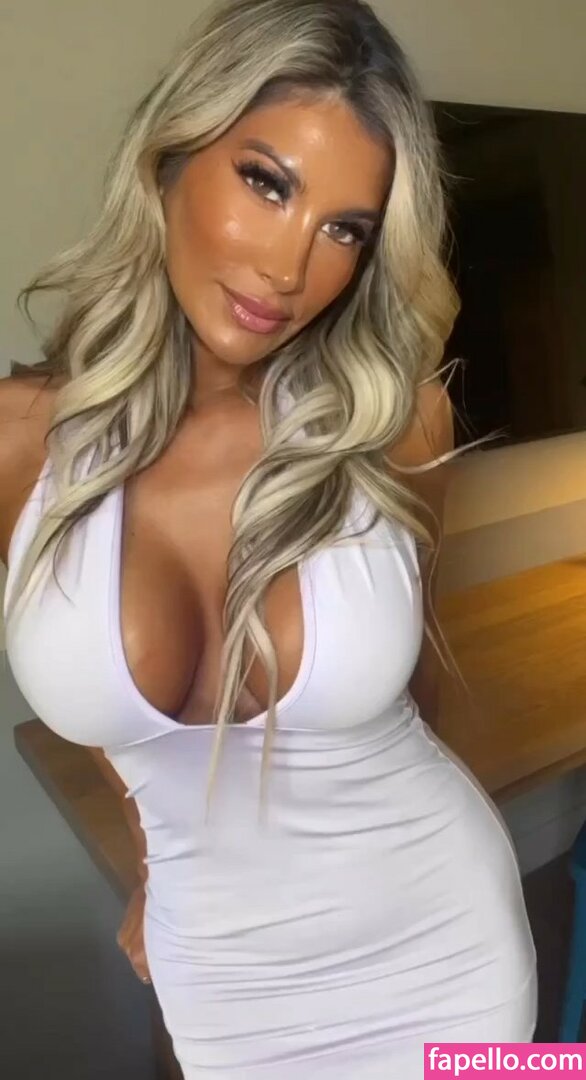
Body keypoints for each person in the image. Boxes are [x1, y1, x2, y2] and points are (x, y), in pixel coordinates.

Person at [1, 0, 537, 1076]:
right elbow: (107, 712)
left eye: (346, 229)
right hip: (226, 982)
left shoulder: (399, 422)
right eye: (267, 183)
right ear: (170, 158)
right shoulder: (19, 442)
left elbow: (416, 688)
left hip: (449, 952)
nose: (294, 269)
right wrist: (153, 862)